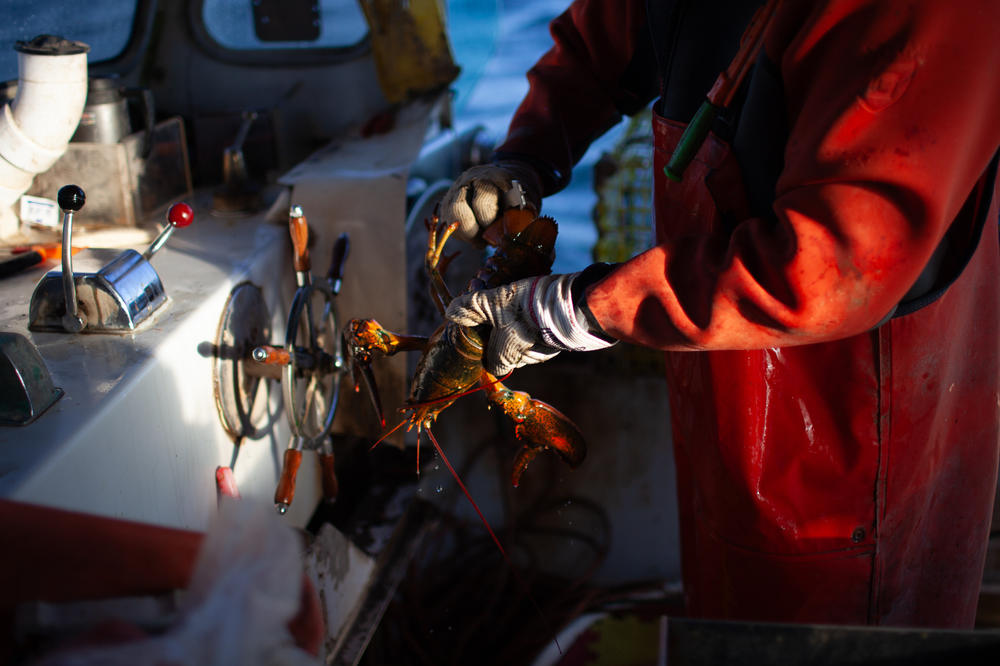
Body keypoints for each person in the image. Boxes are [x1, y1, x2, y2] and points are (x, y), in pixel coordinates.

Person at [438, 0, 1000, 627]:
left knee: (829, 628)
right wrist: (528, 153)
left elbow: (829, 268)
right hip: (719, 385)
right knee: (727, 606)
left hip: (854, 434)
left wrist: (576, 310)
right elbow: (610, 36)